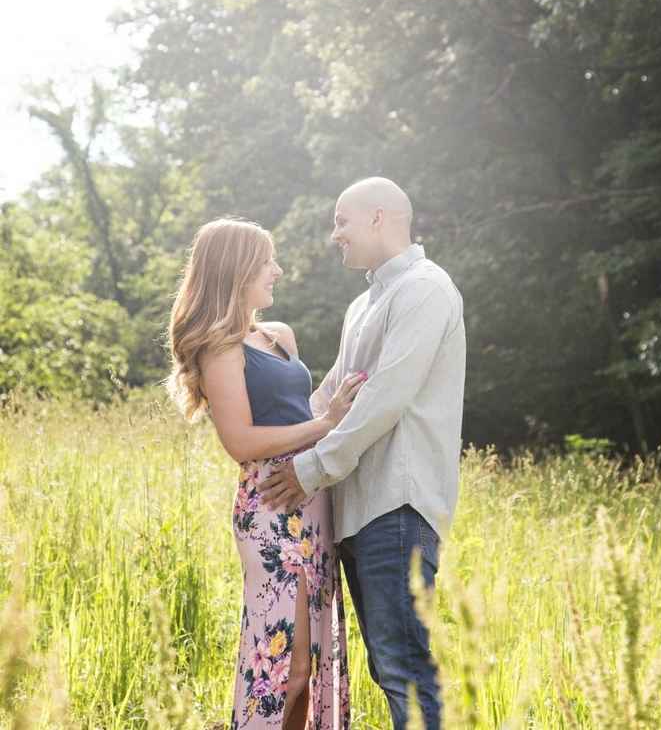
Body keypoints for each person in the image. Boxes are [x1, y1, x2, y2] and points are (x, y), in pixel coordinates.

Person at [260, 178, 466, 730]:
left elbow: (384, 400)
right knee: (388, 664)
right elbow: (332, 394)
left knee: (403, 665)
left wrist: (310, 469)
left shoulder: (425, 288)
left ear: (379, 218)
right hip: (358, 509)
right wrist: (265, 441)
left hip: (396, 507)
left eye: (341, 221)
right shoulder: (363, 304)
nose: (335, 236)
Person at [165, 218, 362, 730]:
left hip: (313, 500)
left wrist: (328, 414)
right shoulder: (219, 347)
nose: (277, 271)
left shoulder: (279, 336)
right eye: (267, 262)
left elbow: (297, 410)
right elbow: (241, 442)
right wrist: (325, 423)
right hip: (271, 507)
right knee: (285, 667)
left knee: (311, 664)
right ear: (237, 269)